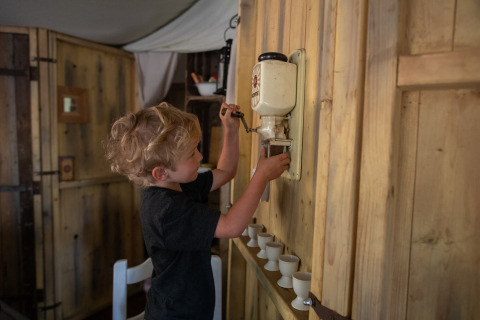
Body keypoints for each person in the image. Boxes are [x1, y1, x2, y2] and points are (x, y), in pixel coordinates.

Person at [104, 101, 290, 319]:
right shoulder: (167, 210)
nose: (200, 157)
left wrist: (230, 131)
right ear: (161, 173)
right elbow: (232, 227)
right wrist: (261, 176)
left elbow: (225, 171)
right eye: (192, 154)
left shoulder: (176, 185)